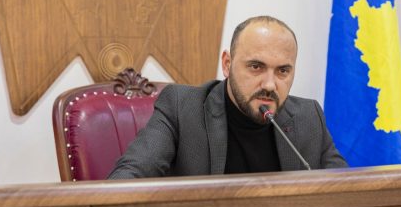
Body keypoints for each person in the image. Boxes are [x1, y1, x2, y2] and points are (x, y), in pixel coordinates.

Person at [108, 16, 347, 178]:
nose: (269, 84)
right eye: (256, 67)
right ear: (227, 64)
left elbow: (348, 194)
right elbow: (126, 181)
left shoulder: (308, 117)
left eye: (283, 71)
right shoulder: (181, 108)